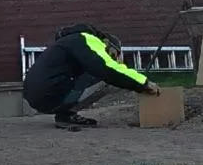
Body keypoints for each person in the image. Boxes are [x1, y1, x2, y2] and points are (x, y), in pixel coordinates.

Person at [22, 24, 161, 128]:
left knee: (96, 71)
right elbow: (107, 68)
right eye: (114, 54)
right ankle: (66, 114)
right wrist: (143, 83)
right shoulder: (88, 40)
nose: (114, 58)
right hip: (51, 94)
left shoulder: (68, 43)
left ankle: (65, 115)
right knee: (106, 76)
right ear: (106, 43)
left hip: (37, 96)